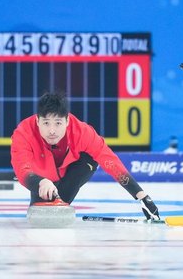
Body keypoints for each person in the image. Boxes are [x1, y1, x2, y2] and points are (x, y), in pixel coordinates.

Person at [11, 92, 160, 220]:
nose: (52, 130)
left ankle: (60, 197)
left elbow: (110, 162)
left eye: (58, 123)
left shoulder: (82, 132)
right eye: (46, 123)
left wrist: (141, 195)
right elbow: (21, 169)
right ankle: (47, 191)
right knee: (41, 211)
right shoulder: (23, 133)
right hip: (40, 177)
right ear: (37, 121)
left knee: (53, 212)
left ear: (67, 120)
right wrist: (40, 182)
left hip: (72, 173)